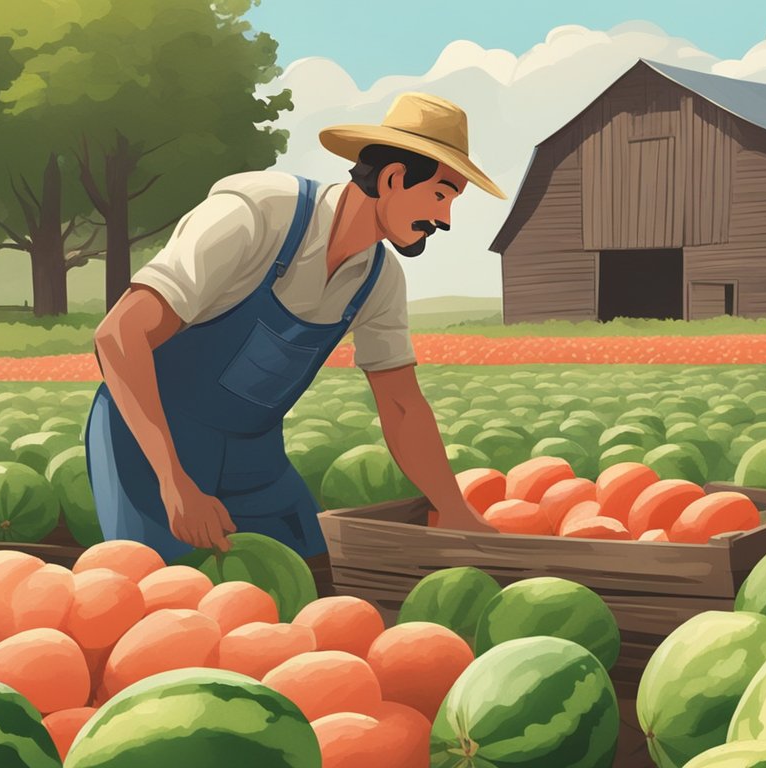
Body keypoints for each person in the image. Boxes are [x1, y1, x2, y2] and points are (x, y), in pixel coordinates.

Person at [85, 92, 506, 598]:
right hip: (149, 439)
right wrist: (174, 481)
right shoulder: (259, 213)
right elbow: (119, 335)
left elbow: (400, 403)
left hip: (253, 453)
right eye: (442, 195)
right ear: (394, 178)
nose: (446, 219)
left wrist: (453, 507)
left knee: (313, 580)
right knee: (170, 597)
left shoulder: (378, 278)